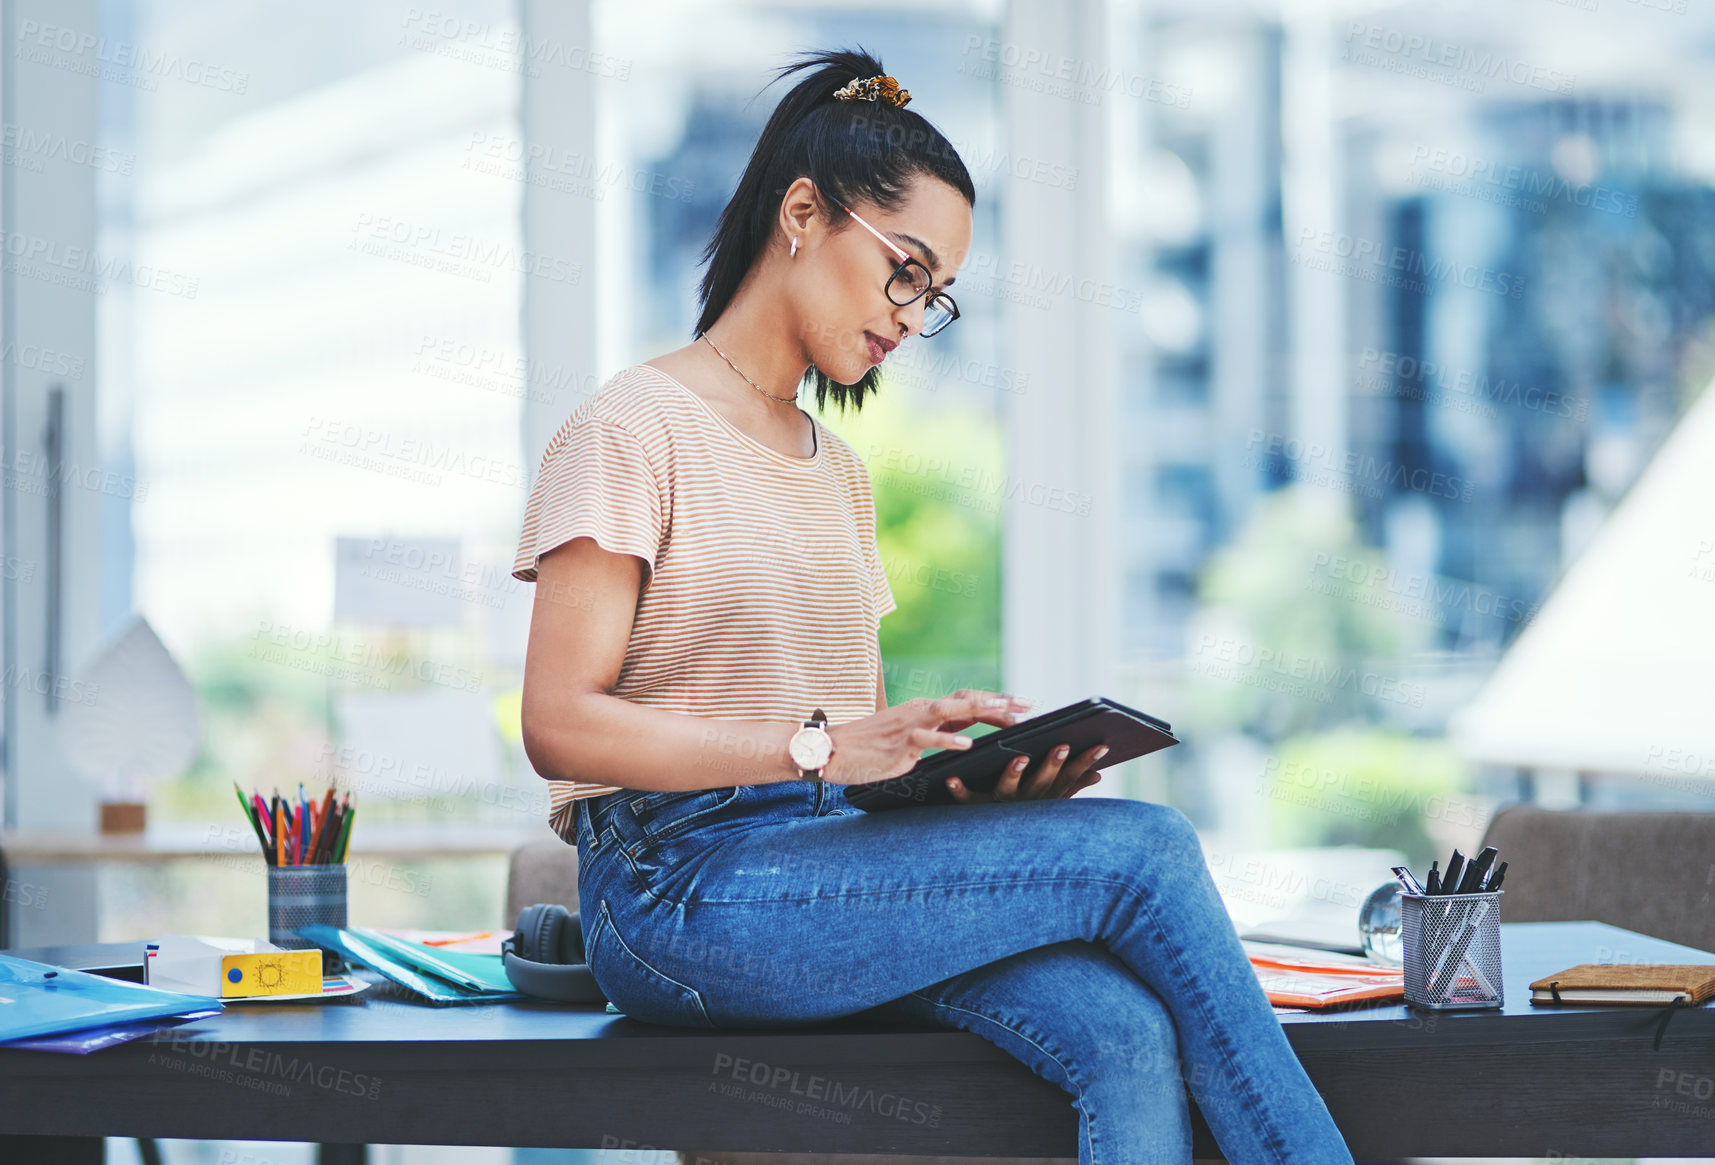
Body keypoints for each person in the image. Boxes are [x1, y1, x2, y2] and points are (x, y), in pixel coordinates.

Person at [511, 46, 1354, 1165]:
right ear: (802, 213)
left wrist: (980, 789)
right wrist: (814, 746)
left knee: (1120, 1030)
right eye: (904, 269)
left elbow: (843, 774)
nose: (913, 314)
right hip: (674, 893)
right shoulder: (629, 428)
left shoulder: (835, 471)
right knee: (1143, 854)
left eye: (936, 291)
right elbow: (557, 723)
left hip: (816, 872)